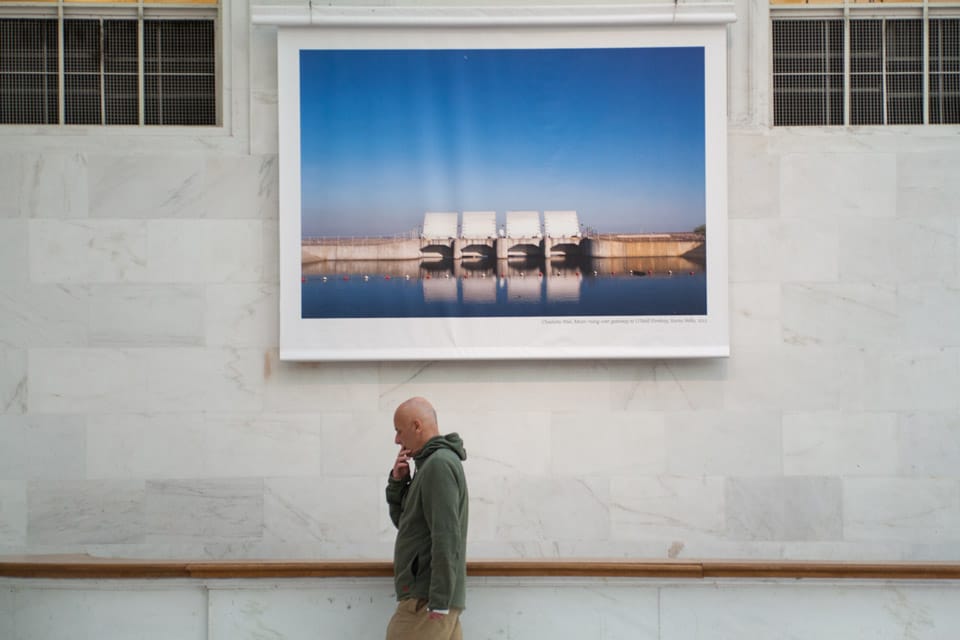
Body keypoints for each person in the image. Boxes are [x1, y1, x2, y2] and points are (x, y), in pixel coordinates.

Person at [385, 397, 469, 640]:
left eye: (399, 431)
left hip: (425, 601)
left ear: (417, 426)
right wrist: (398, 483)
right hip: (428, 598)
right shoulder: (428, 466)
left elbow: (447, 537)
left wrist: (440, 602)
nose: (397, 440)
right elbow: (407, 526)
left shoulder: (439, 465)